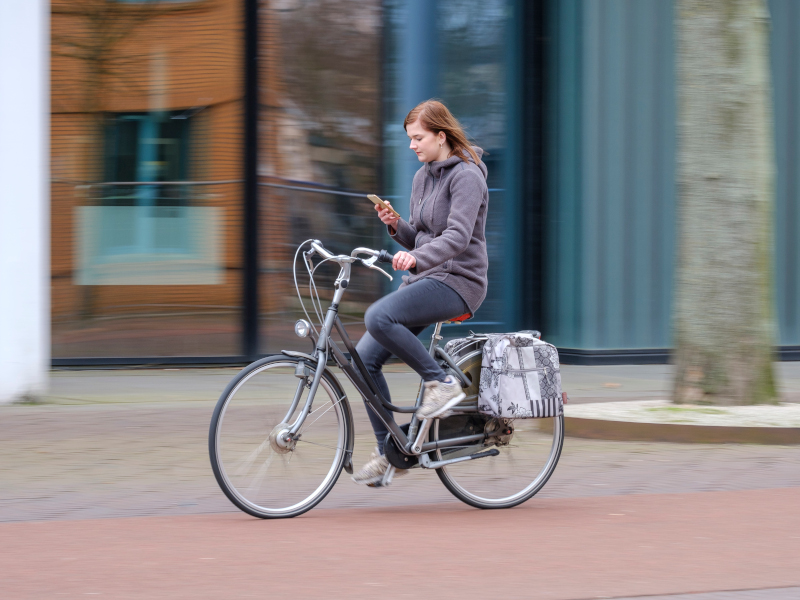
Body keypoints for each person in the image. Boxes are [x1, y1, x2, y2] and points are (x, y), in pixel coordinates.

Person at [352, 99, 490, 486]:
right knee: (364, 362)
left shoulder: (467, 176)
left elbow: (458, 238)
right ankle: (391, 452)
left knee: (378, 316)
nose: (412, 145)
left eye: (418, 138)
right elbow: (422, 236)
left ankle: (441, 383)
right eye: (410, 139)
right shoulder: (422, 177)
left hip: (459, 282)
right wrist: (396, 226)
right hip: (427, 279)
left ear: (440, 136)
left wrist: (414, 259)